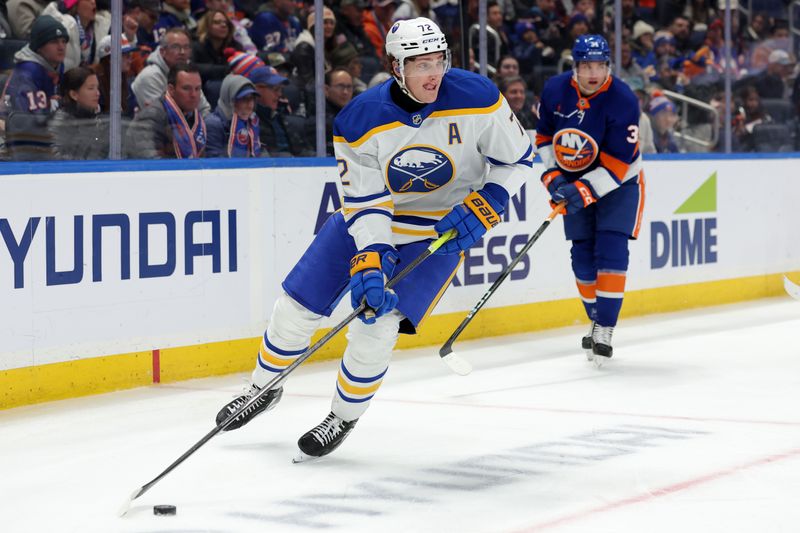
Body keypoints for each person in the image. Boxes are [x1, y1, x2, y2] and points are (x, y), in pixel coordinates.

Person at [215, 17, 534, 460]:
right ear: (395, 67)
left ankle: (341, 417)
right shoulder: (359, 119)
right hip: (368, 222)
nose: (433, 73)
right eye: (420, 63)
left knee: (377, 325)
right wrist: (372, 253)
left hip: (437, 234)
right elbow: (365, 201)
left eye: (438, 60)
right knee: (295, 307)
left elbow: (518, 160)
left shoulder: (479, 98)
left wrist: (489, 201)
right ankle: (262, 387)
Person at [535, 34, 645, 365]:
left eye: (599, 65)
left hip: (620, 184)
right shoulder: (555, 90)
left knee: (611, 248)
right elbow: (543, 137)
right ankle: (595, 317)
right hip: (571, 178)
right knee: (581, 256)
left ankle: (606, 328)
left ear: (609, 66)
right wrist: (552, 176)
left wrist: (583, 189)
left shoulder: (623, 99)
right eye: (586, 65)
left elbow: (617, 163)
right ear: (575, 68)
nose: (593, 73)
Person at [2, 14, 68, 160]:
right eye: (54, 41)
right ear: (39, 46)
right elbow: (32, 126)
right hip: (17, 149)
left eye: (64, 41)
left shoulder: (54, 67)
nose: (61, 46)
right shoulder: (29, 72)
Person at [126, 62, 206, 158]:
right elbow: (148, 160)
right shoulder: (151, 116)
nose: (193, 95)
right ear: (171, 89)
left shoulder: (197, 117)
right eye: (186, 88)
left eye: (197, 89)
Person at [132, 27, 211, 115]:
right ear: (162, 51)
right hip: (155, 127)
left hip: (189, 123)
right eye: (176, 47)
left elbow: (204, 109)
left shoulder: (189, 73)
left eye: (186, 47)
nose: (182, 52)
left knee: (212, 123)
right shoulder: (149, 76)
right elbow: (160, 116)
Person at [249, 65, 312, 156]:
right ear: (256, 89)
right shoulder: (247, 123)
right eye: (275, 89)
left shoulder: (281, 118)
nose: (279, 94)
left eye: (281, 89)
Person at [50, 65, 108, 159]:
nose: (97, 93)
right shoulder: (61, 123)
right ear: (74, 94)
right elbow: (56, 159)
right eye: (91, 88)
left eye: (97, 88)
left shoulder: (97, 121)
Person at [204, 74, 261, 157]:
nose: (249, 103)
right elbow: (214, 162)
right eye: (244, 98)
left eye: (252, 98)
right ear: (230, 100)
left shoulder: (252, 122)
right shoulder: (213, 124)